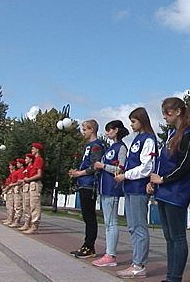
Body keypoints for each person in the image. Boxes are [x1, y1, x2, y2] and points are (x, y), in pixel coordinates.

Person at [147, 97, 190, 282]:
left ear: (178, 111)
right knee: (169, 237)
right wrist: (153, 180)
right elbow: (163, 161)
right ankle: (170, 276)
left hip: (176, 191)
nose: (164, 117)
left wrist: (163, 179)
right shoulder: (173, 134)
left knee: (177, 236)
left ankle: (175, 278)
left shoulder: (188, 134)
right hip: (164, 191)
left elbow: (185, 165)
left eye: (167, 113)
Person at [114, 107, 156, 279]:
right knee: (132, 226)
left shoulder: (149, 139)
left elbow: (146, 167)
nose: (131, 125)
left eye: (133, 121)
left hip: (139, 188)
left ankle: (139, 265)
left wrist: (127, 175)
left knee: (139, 227)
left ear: (142, 121)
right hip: (130, 188)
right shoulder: (137, 139)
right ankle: (135, 262)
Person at [92, 120, 130, 267]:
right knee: (107, 222)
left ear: (116, 130)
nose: (107, 133)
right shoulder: (110, 148)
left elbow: (120, 169)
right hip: (104, 188)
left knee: (111, 222)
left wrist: (103, 166)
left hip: (112, 189)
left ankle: (111, 254)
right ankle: (109, 252)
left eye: (109, 130)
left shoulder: (121, 148)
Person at [69, 120, 105, 258]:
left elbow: (95, 166)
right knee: (86, 216)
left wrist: (80, 173)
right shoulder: (89, 146)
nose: (83, 132)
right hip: (83, 183)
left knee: (89, 217)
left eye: (84, 129)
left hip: (89, 184)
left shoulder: (96, 146)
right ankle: (86, 244)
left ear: (92, 129)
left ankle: (89, 246)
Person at [23, 143, 45, 234]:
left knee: (34, 205)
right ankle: (29, 223)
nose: (32, 150)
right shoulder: (35, 160)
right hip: (31, 184)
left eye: (33, 148)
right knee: (30, 204)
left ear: (37, 150)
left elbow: (39, 174)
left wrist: (29, 179)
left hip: (35, 184)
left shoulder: (39, 160)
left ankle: (34, 226)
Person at [18, 154, 34, 231]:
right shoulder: (27, 168)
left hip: (28, 186)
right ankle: (26, 223)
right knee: (25, 205)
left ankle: (28, 223)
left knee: (28, 205)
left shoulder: (31, 167)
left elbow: (29, 178)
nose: (25, 160)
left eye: (27, 158)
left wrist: (22, 180)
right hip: (24, 187)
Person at [9, 159, 26, 228]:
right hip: (15, 187)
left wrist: (12, 185)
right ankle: (13, 219)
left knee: (18, 205)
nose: (17, 165)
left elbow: (20, 181)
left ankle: (17, 221)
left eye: (18, 163)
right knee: (15, 205)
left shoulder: (21, 171)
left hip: (18, 188)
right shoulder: (18, 171)